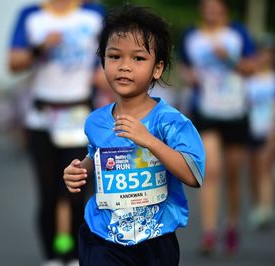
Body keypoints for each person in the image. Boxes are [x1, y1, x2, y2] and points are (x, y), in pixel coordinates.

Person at [63, 5, 205, 266]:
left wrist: (149, 140)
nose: (125, 66)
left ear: (157, 68)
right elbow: (98, 156)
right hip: (103, 235)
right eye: (115, 56)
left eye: (138, 58)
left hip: (155, 239)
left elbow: (193, 174)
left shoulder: (170, 121)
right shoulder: (96, 121)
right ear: (103, 61)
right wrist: (80, 170)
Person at [7, 1, 105, 265]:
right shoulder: (32, 16)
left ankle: (73, 253)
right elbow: (13, 63)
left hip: (80, 115)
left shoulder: (94, 14)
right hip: (42, 118)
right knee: (48, 193)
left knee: (75, 190)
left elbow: (112, 56)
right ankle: (52, 255)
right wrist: (40, 47)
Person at [179, 0, 256, 255]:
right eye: (207, 7)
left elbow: (251, 68)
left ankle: (232, 224)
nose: (212, 12)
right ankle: (209, 233)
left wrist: (229, 58)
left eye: (217, 7)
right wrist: (189, 77)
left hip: (235, 111)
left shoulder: (237, 34)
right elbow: (184, 68)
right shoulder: (191, 35)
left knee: (233, 175)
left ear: (224, 9)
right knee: (210, 171)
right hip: (206, 111)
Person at [246, 34, 275, 230]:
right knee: (254, 171)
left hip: (269, 130)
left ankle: (266, 209)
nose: (265, 56)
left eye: (269, 53)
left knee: (265, 168)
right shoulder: (249, 78)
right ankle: (258, 206)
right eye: (262, 52)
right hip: (250, 130)